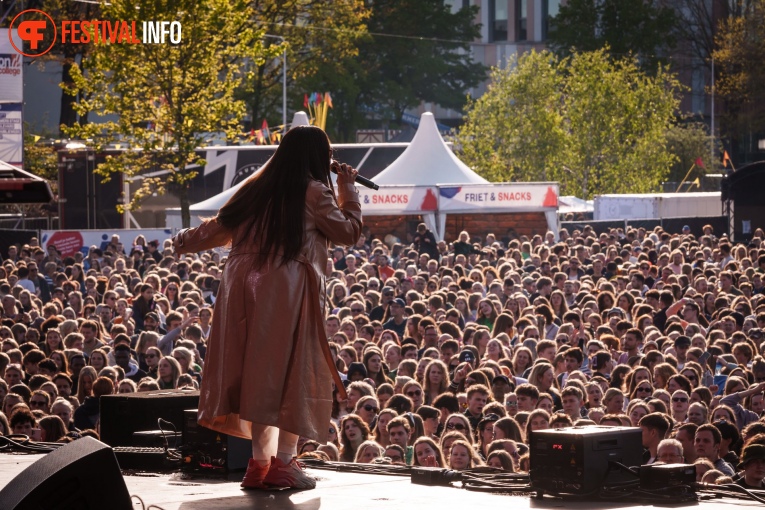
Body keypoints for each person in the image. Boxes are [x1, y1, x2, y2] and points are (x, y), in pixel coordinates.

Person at [172, 126, 362, 490]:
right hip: (284, 288)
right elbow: (348, 232)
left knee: (260, 378)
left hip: (239, 287)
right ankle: (284, 464)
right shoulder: (313, 190)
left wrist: (183, 240)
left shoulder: (255, 188)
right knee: (293, 373)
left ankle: (259, 465)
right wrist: (348, 188)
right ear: (318, 157)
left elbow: (215, 230)